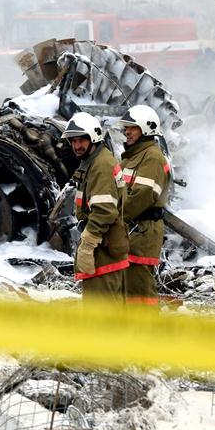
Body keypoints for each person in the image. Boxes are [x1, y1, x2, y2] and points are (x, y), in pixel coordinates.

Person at [62, 112, 129, 302]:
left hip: (103, 250)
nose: (77, 146)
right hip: (105, 247)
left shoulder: (101, 165)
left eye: (82, 140)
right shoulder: (96, 160)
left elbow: (104, 211)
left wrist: (87, 244)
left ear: (94, 138)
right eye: (74, 141)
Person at [116, 105, 171, 306]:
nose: (127, 132)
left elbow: (141, 196)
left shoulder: (152, 158)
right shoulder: (132, 157)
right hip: (131, 232)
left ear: (147, 129)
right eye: (126, 128)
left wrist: (111, 218)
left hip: (142, 233)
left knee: (139, 292)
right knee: (127, 291)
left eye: (133, 128)